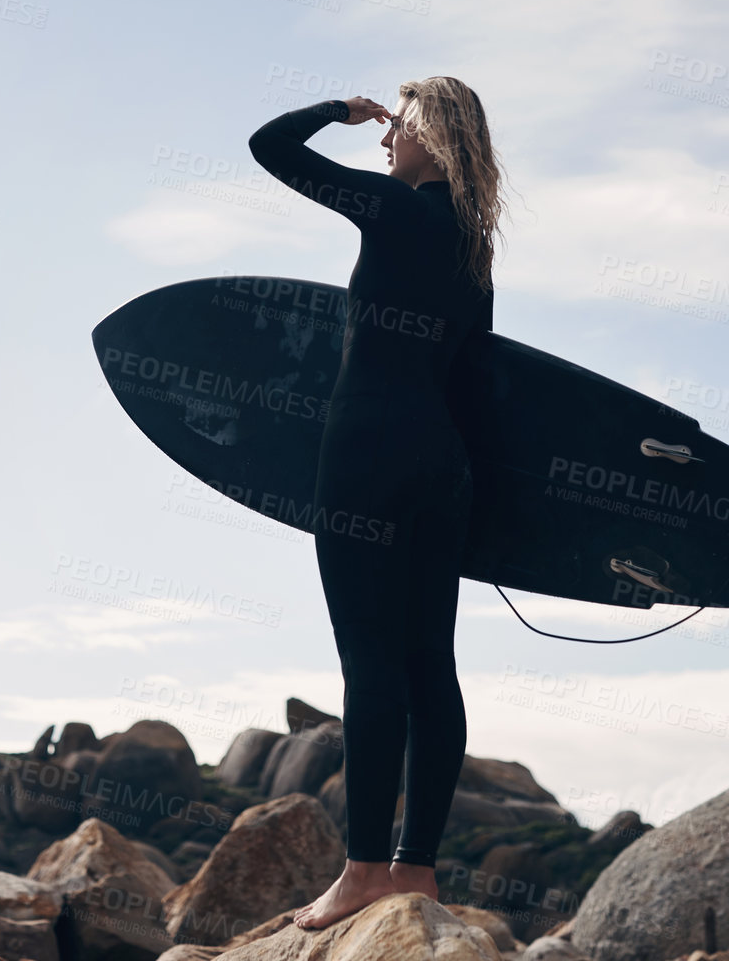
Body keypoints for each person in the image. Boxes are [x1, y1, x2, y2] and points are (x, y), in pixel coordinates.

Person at [246, 77, 509, 929]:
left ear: (428, 134)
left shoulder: (395, 212)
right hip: (444, 469)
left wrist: (334, 110)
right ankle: (414, 869)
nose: (383, 141)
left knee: (369, 661)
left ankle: (360, 871)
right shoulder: (475, 250)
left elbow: (268, 148)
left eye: (396, 127)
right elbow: (479, 387)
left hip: (365, 455)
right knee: (431, 663)